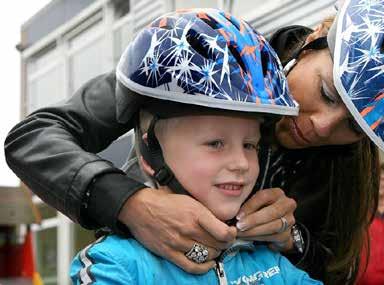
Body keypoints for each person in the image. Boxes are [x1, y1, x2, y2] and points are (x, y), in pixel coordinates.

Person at [4, 0, 384, 283]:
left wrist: (291, 238)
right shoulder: (207, 61)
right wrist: (130, 205)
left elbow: (339, 268)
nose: (322, 127)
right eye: (327, 92)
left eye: (355, 127)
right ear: (317, 39)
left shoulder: (347, 166)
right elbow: (35, 136)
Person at [70, 10, 321, 284]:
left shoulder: (271, 263)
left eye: (250, 144)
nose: (241, 162)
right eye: (215, 143)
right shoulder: (113, 265)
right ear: (151, 153)